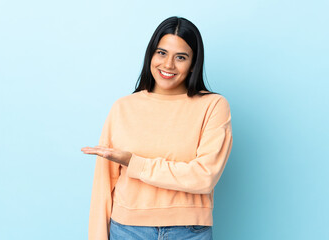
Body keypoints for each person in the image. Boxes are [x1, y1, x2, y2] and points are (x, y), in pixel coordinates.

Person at [81, 16, 233, 240]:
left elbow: (203, 177)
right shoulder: (123, 107)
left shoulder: (213, 106)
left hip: (189, 232)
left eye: (181, 57)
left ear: (193, 64)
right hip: (127, 229)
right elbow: (103, 186)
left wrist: (134, 163)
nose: (168, 65)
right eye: (161, 53)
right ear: (151, 54)